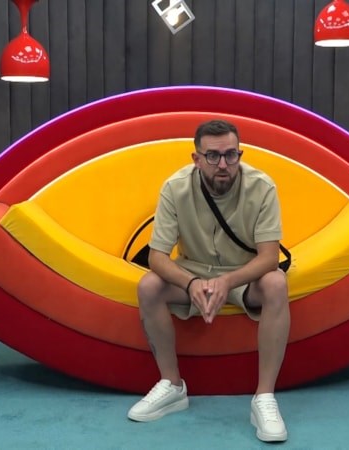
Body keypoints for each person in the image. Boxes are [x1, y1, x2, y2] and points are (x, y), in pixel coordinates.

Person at [127, 119, 291, 442]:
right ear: (197, 159)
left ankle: (264, 397)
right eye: (213, 156)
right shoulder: (175, 187)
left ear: (240, 155)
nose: (223, 165)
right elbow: (157, 257)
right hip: (193, 270)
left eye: (231, 155)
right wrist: (190, 283)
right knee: (149, 286)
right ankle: (172, 385)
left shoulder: (263, 187)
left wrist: (228, 281)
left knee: (276, 284)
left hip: (244, 274)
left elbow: (269, 258)